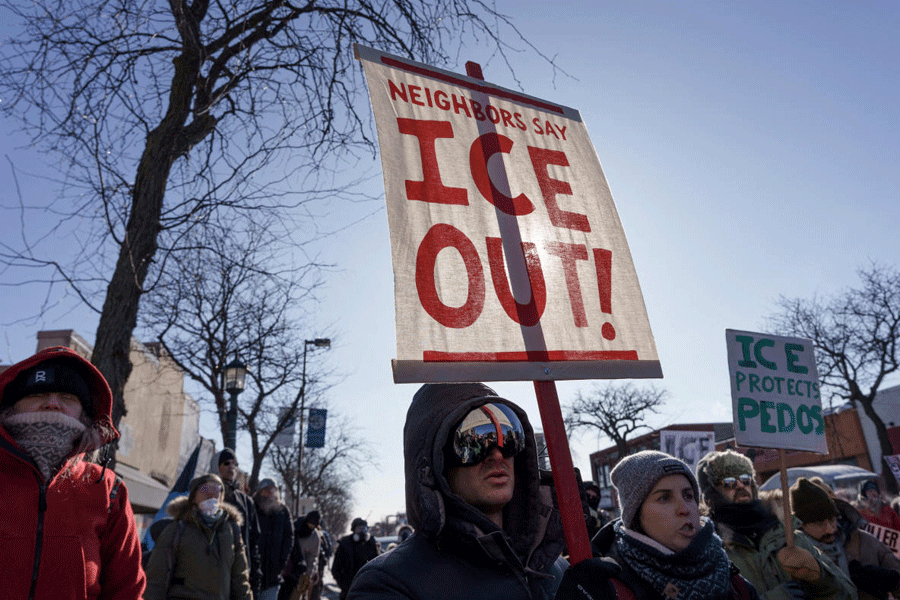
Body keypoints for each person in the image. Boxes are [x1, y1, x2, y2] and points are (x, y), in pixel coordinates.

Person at [347, 382, 567, 600]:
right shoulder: (386, 584)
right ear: (435, 464)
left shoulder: (554, 564)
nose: (498, 455)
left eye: (509, 437)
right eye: (475, 442)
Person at [0, 345, 146, 600]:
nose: (53, 404)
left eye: (68, 398)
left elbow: (127, 591)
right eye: (38, 393)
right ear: (10, 407)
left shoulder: (108, 490)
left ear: (85, 414)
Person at [575, 450, 760, 599]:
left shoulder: (730, 576)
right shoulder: (605, 587)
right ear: (635, 514)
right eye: (664, 497)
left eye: (688, 496)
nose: (684, 508)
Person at [696, 449, 855, 600]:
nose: (740, 485)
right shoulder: (707, 550)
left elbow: (849, 594)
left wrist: (821, 579)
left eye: (745, 479)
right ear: (711, 495)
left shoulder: (787, 534)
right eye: (729, 482)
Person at [143, 473, 253, 600]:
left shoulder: (231, 531)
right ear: (193, 496)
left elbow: (240, 578)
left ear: (222, 498)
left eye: (217, 490)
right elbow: (156, 577)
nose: (211, 494)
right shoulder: (177, 529)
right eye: (205, 489)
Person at [792, 476, 900, 600]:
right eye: (819, 524)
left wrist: (893, 580)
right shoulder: (792, 557)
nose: (830, 529)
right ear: (801, 525)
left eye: (832, 520)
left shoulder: (863, 540)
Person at [219, 448, 264, 596]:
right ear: (217, 466)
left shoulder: (246, 501)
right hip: (214, 568)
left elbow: (254, 538)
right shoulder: (206, 492)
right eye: (226, 463)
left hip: (240, 570)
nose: (232, 467)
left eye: (235, 464)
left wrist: (255, 571)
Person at [254, 478, 294, 600]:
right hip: (253, 572)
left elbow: (289, 537)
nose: (270, 492)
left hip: (273, 574)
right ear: (260, 491)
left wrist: (281, 562)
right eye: (267, 489)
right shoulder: (252, 507)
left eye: (273, 489)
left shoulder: (282, 511)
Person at [279, 510, 322, 600]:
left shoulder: (315, 537)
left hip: (301, 572)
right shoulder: (294, 526)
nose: (311, 526)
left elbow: (313, 557)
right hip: (286, 569)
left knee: (296, 596)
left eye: (314, 525)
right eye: (310, 523)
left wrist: (308, 575)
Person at [333, 518, 379, 599]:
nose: (362, 531)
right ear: (354, 530)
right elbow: (336, 568)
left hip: (368, 588)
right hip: (349, 588)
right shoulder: (344, 544)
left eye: (364, 528)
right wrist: (343, 585)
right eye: (359, 528)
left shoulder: (371, 542)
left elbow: (378, 563)